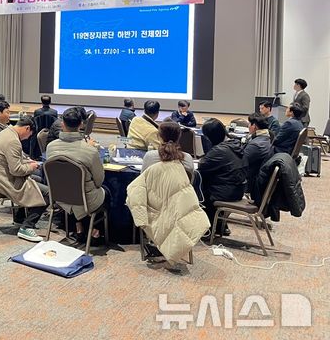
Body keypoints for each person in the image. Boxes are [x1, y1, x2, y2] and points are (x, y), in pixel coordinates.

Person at [126, 122, 209, 264]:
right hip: (180, 209)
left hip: (155, 208)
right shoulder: (187, 158)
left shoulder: (150, 156)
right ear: (179, 137)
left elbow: (143, 184)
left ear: (159, 136)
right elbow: (189, 184)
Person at [45, 108, 106, 243]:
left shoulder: (50, 147)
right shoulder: (90, 150)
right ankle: (96, 232)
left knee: (72, 189)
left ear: (62, 124)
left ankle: (78, 228)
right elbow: (99, 180)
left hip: (59, 197)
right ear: (81, 125)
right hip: (85, 200)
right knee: (107, 192)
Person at [0, 116, 48, 242]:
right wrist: (31, 166)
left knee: (37, 179)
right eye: (29, 134)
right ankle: (26, 227)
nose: (28, 138)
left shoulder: (5, 132)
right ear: (27, 128)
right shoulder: (13, 141)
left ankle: (20, 218)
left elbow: (14, 158)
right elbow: (16, 170)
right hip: (5, 182)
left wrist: (28, 162)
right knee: (47, 193)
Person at [198, 118, 247, 233]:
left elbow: (202, 165)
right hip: (238, 188)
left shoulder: (219, 150)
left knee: (197, 186)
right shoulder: (235, 144)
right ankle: (219, 225)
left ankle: (208, 228)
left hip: (225, 192)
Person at [243, 113, 274, 198]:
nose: (248, 126)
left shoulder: (255, 145)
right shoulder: (268, 137)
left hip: (248, 183)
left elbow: (240, 162)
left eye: (249, 124)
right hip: (256, 178)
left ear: (255, 126)